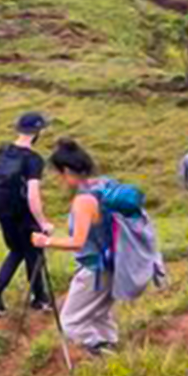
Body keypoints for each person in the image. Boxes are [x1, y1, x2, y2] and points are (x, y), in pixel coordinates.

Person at [31, 138, 118, 355]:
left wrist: (46, 242)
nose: (60, 180)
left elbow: (77, 242)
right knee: (100, 315)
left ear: (68, 171)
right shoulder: (107, 184)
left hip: (95, 269)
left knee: (71, 323)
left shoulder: (83, 201)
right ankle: (115, 357)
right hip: (116, 262)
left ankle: (104, 359)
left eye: (60, 174)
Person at [0, 112, 55, 316]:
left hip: (3, 212)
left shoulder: (4, 150)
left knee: (18, 251)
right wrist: (43, 222)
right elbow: (33, 195)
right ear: (38, 131)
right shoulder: (33, 160)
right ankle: (38, 300)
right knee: (33, 252)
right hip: (23, 215)